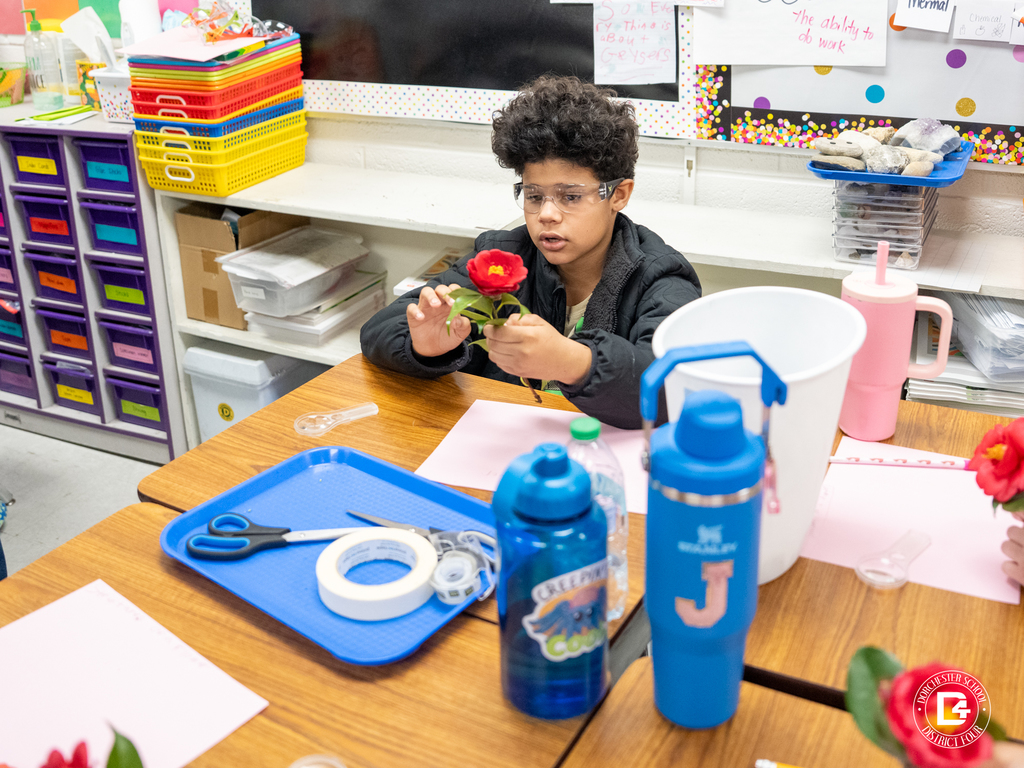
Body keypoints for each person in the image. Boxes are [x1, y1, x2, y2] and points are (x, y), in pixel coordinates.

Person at [360, 75, 701, 429]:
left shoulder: (661, 276)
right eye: (534, 195)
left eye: (570, 196)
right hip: (503, 446)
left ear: (618, 194)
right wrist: (426, 348)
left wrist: (574, 362)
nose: (547, 214)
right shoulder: (503, 256)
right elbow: (379, 329)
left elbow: (672, 389)